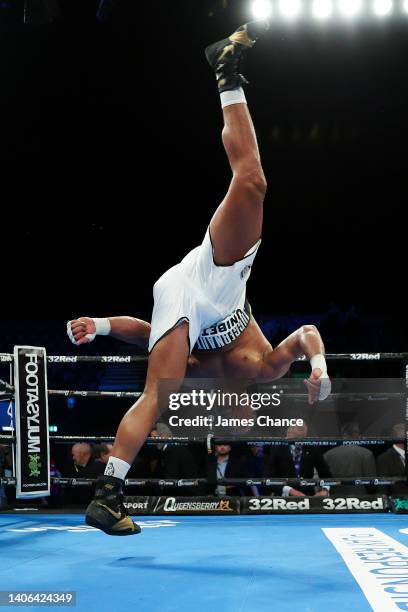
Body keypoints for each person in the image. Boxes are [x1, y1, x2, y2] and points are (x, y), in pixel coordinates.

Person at [67, 20, 331, 535]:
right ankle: (226, 72)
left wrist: (98, 324)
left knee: (155, 394)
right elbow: (303, 336)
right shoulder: (263, 371)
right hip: (216, 277)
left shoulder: (205, 376)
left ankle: (107, 494)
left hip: (178, 291)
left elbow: (143, 333)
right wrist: (319, 367)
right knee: (252, 181)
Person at [265, 422, 332, 497]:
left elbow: (326, 474)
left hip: (307, 496)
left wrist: (325, 490)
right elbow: (270, 477)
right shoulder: (277, 448)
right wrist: (289, 490)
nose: (301, 436)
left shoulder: (312, 448)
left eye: (303, 433)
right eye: (295, 431)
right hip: (284, 497)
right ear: (289, 432)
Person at [324, 421, 376, 496]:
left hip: (334, 500)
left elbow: (323, 482)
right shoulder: (366, 454)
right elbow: (371, 484)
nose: (361, 437)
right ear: (355, 434)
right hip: (360, 500)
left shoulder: (327, 454)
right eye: (359, 434)